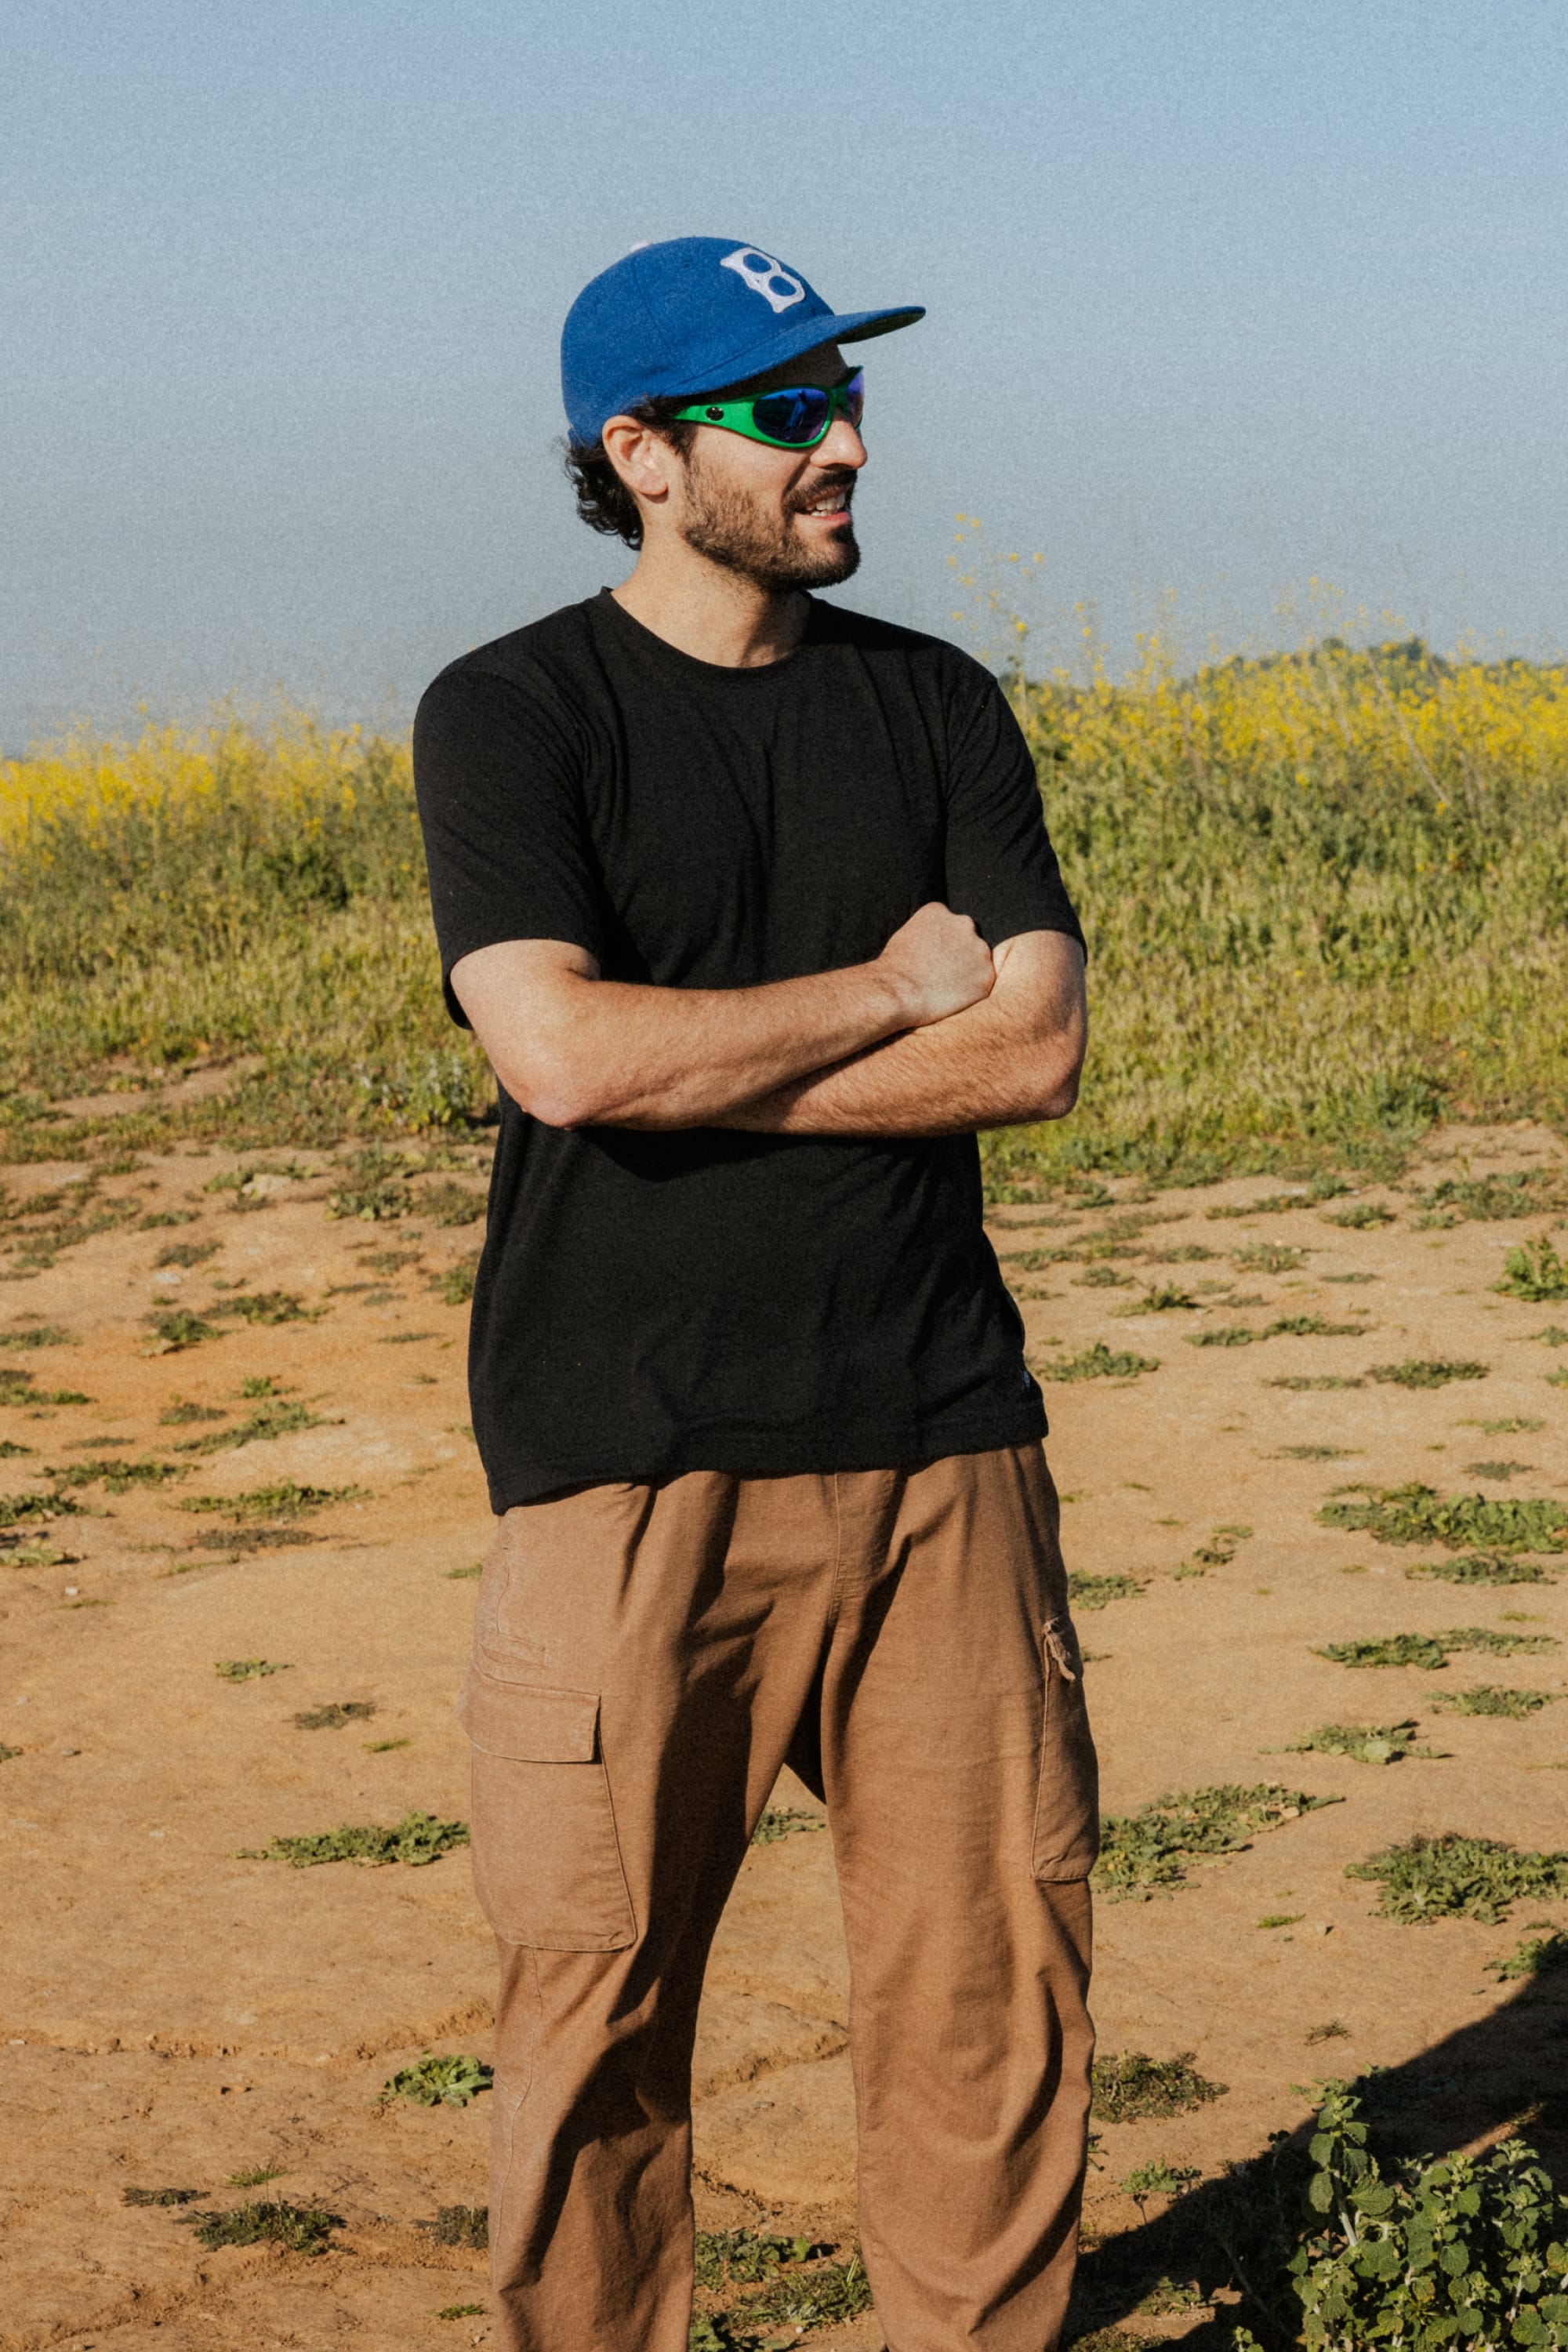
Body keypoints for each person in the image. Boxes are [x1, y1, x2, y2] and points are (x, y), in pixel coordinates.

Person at [412, 235, 1098, 2352]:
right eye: (785, 410)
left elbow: (1037, 1052)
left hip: (939, 1444)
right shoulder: (516, 711)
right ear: (640, 454)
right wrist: (889, 990)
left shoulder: (935, 704)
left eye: (846, 400)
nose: (843, 446)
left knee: (991, 1998)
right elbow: (555, 1056)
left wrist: (685, 1064)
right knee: (592, 2009)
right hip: (630, 1462)